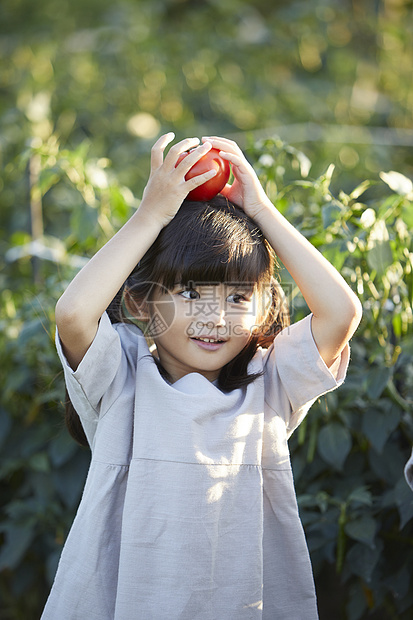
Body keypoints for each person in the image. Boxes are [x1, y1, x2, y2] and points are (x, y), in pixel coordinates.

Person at [42, 134, 362, 620]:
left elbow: (341, 313)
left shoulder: (269, 383)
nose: (215, 317)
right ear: (140, 303)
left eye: (238, 298)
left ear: (264, 310)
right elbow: (73, 313)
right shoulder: (124, 379)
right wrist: (151, 214)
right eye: (190, 293)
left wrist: (261, 209)